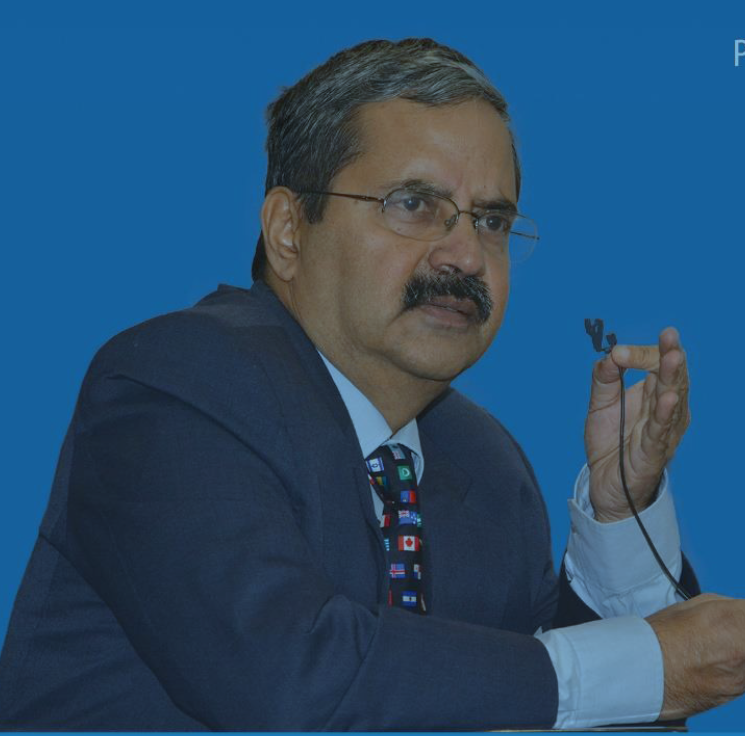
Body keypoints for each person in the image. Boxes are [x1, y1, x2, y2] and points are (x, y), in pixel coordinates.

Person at [0, 37, 743, 731]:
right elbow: (288, 680)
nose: (465, 255)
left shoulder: (484, 463)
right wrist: (646, 662)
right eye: (414, 205)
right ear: (289, 231)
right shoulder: (177, 383)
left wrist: (619, 513)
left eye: (490, 221)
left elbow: (533, 698)